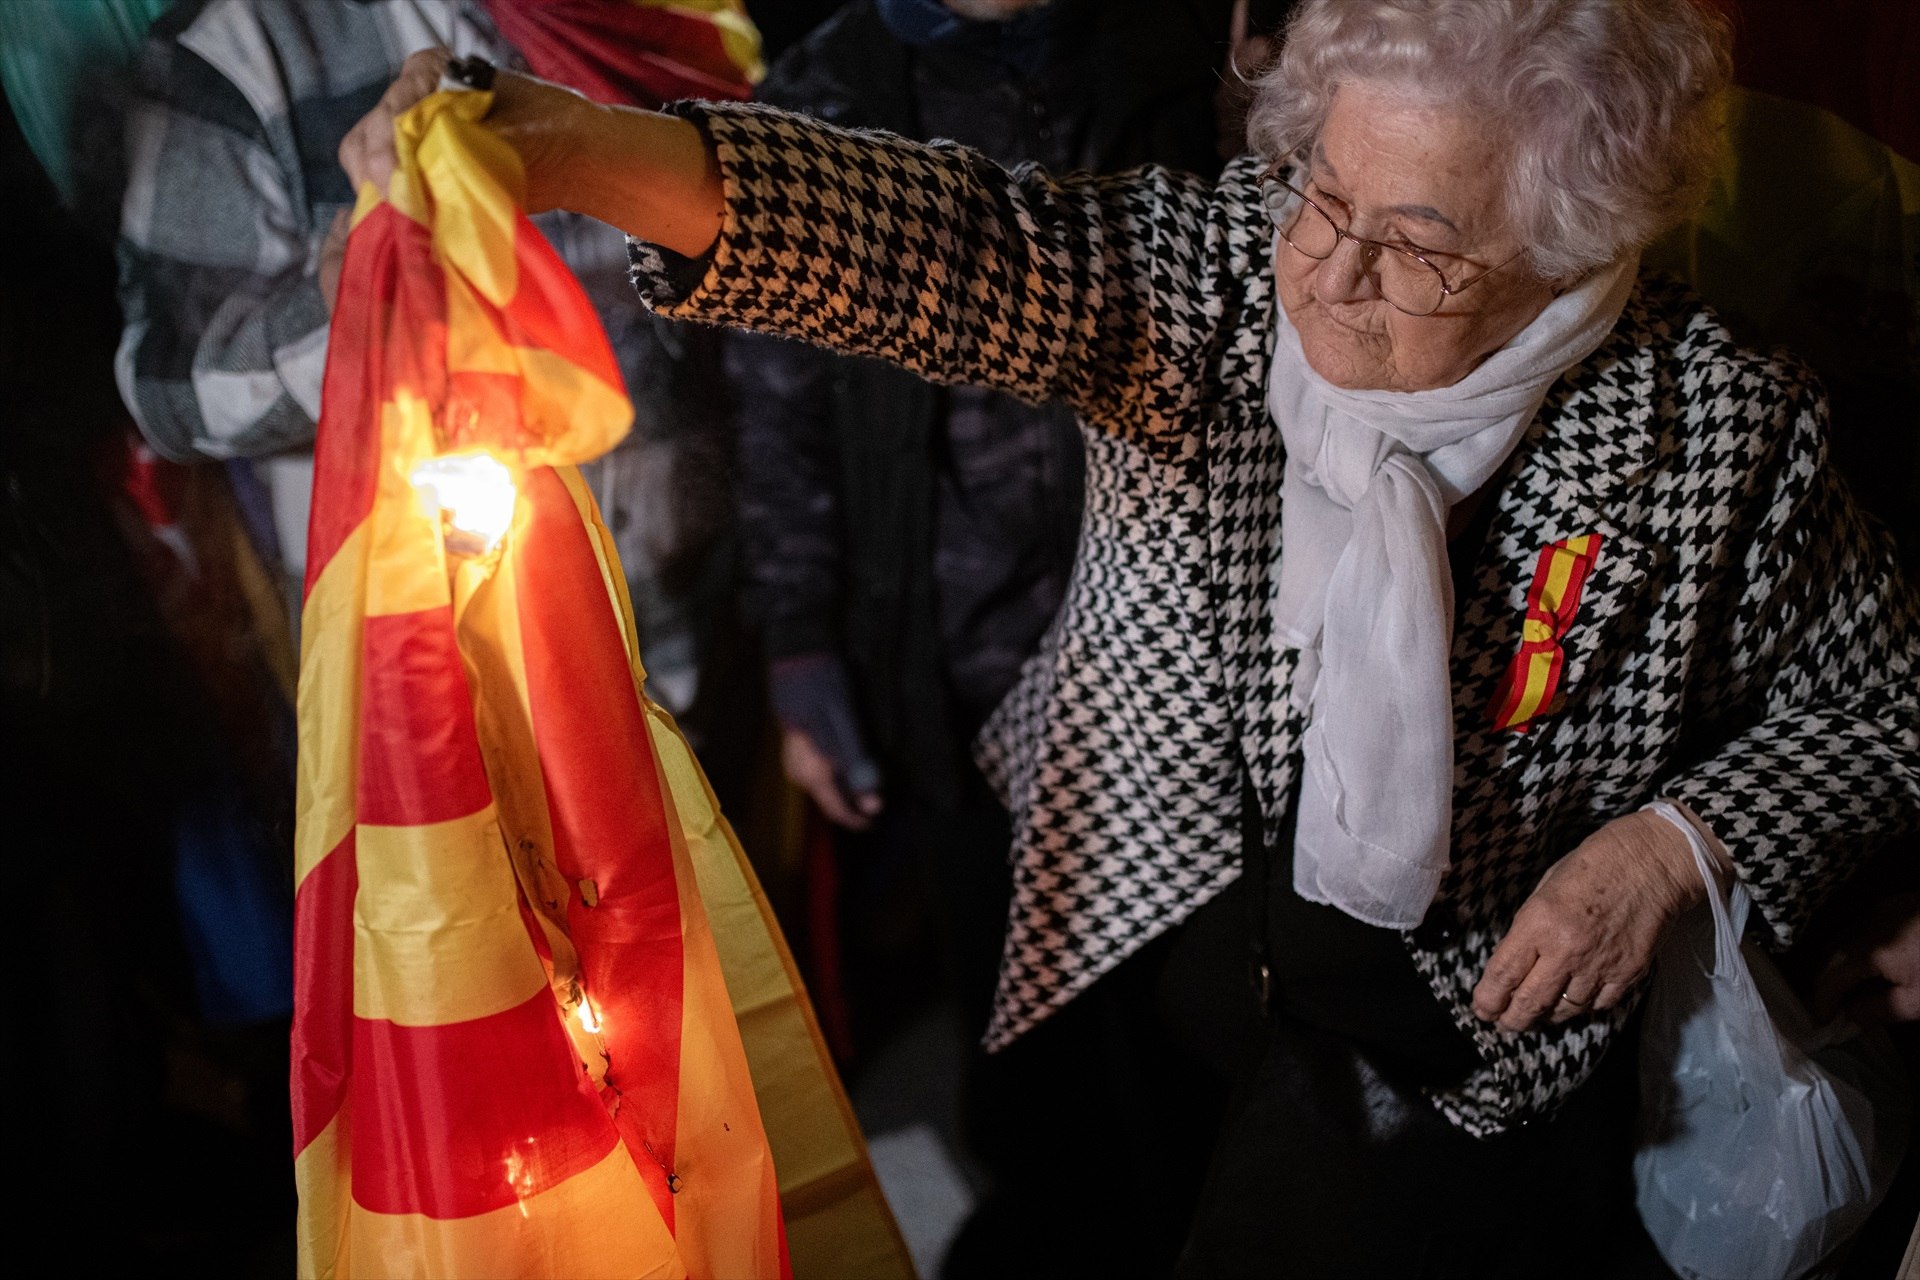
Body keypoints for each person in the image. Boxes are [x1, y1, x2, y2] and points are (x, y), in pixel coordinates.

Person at [341, 0, 1920, 1272]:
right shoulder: (1233, 272)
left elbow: (1881, 707)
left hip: (1497, 1047)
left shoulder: (1716, 432)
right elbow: (959, 253)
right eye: (1327, 194)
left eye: (1420, 246)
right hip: (1182, 917)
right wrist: (577, 149)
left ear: (1568, 247)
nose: (1330, 274)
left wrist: (1667, 845)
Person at [725, 2, 1239, 1271]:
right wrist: (802, 650)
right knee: (1022, 1020)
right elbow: (777, 417)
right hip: (953, 667)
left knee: (1189, 1031)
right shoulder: (818, 98)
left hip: (1180, 656)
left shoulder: (1187, 60)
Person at [114, 0, 747, 736]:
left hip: (704, 629)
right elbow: (169, 391)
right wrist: (350, 312)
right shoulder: (241, 48)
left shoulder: (675, 20)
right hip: (432, 701)